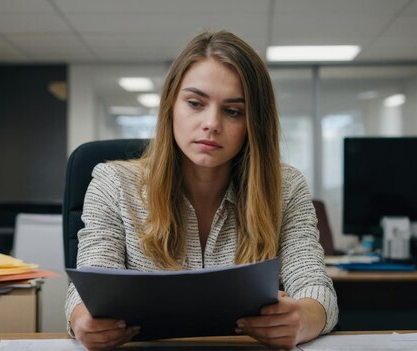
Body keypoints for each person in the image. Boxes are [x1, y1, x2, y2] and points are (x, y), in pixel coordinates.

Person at [65, 30, 338, 351]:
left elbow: (315, 288)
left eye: (233, 111)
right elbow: (89, 288)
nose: (212, 123)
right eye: (195, 103)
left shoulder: (284, 187)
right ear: (170, 105)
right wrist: (83, 319)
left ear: (254, 123)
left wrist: (305, 318)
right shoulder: (112, 183)